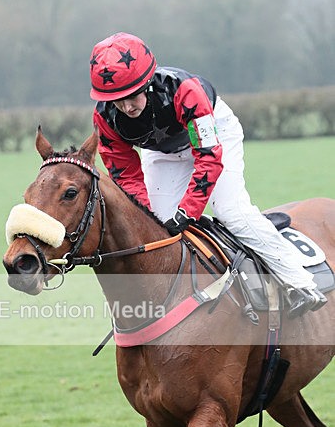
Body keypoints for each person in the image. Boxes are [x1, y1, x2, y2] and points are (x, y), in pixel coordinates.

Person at [89, 32, 327, 318]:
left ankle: (299, 282)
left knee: (231, 211)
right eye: (117, 100)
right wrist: (150, 213)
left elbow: (208, 157)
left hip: (214, 136)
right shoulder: (105, 117)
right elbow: (126, 175)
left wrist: (188, 210)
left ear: (148, 83)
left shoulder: (184, 91)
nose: (126, 107)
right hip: (162, 153)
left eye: (131, 96)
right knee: (159, 226)